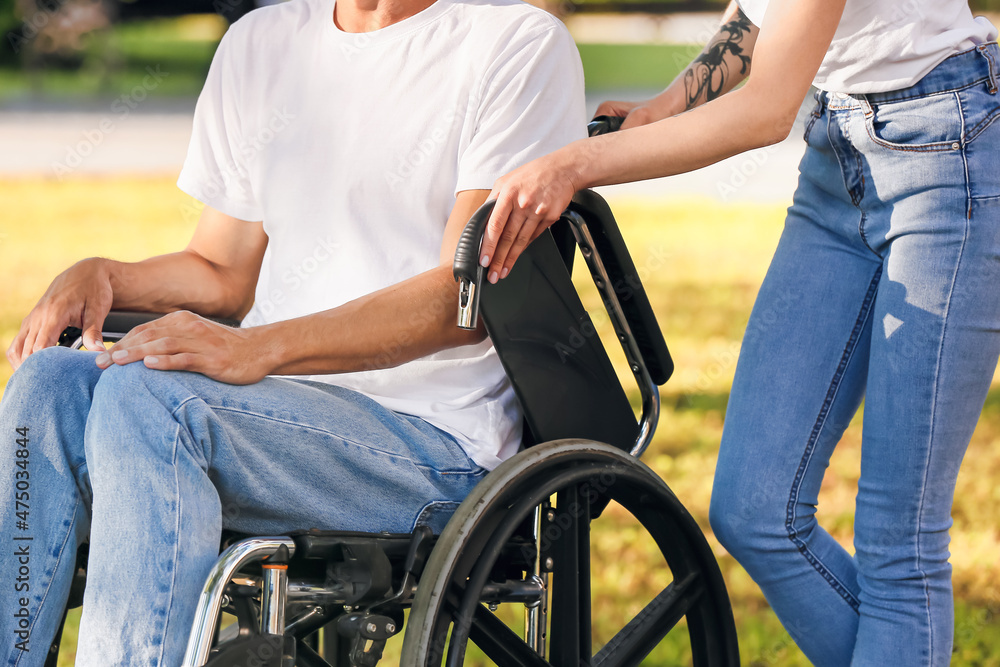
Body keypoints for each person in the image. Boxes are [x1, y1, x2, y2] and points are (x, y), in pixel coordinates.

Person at [0, 0, 585, 662]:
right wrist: (104, 274)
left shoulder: (515, 44)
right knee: (49, 384)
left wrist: (257, 348)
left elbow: (463, 301)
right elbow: (222, 269)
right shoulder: (262, 43)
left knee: (152, 400)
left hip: (431, 442)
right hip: (268, 416)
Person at [478, 0, 1000, 665]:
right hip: (837, 155)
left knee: (899, 544)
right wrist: (667, 104)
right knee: (755, 509)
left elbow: (764, 111)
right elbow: (758, 17)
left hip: (948, 150)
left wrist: (577, 164)